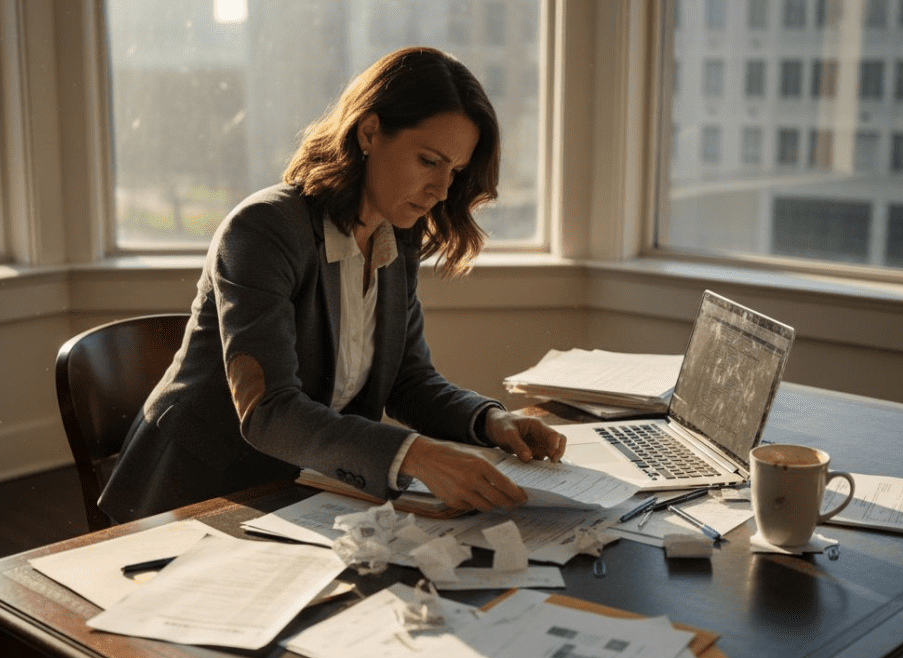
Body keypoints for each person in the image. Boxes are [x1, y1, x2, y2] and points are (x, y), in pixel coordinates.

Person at [99, 46, 566, 524]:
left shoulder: (394, 240)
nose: (443, 191)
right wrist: (418, 455)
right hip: (195, 497)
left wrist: (490, 421)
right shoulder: (263, 229)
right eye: (429, 161)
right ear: (369, 132)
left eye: (456, 172)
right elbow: (269, 411)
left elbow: (408, 381)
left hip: (300, 487)